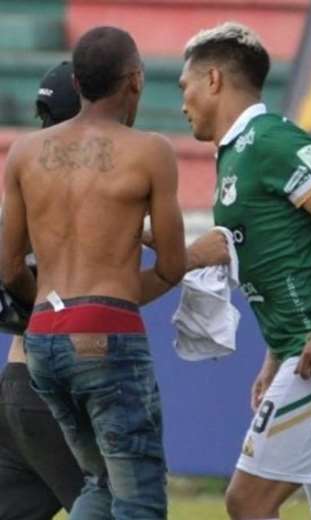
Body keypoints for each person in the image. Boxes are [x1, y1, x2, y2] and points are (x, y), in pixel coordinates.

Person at [178, 22, 311, 520]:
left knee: (247, 501)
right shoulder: (237, 152)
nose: (182, 100)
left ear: (213, 80)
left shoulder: (267, 139)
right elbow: (280, 253)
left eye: (185, 86)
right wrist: (274, 359)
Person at [1, 27, 190, 519]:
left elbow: (8, 267)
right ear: (135, 81)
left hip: (40, 338)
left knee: (100, 485)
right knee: (139, 497)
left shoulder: (23, 153)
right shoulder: (150, 151)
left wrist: (55, 302)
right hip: (108, 336)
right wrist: (109, 302)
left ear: (78, 83)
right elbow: (172, 266)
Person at [0, 61, 85, 520]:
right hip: (61, 385)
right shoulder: (90, 185)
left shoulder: (25, 176)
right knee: (117, 506)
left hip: (15, 382)